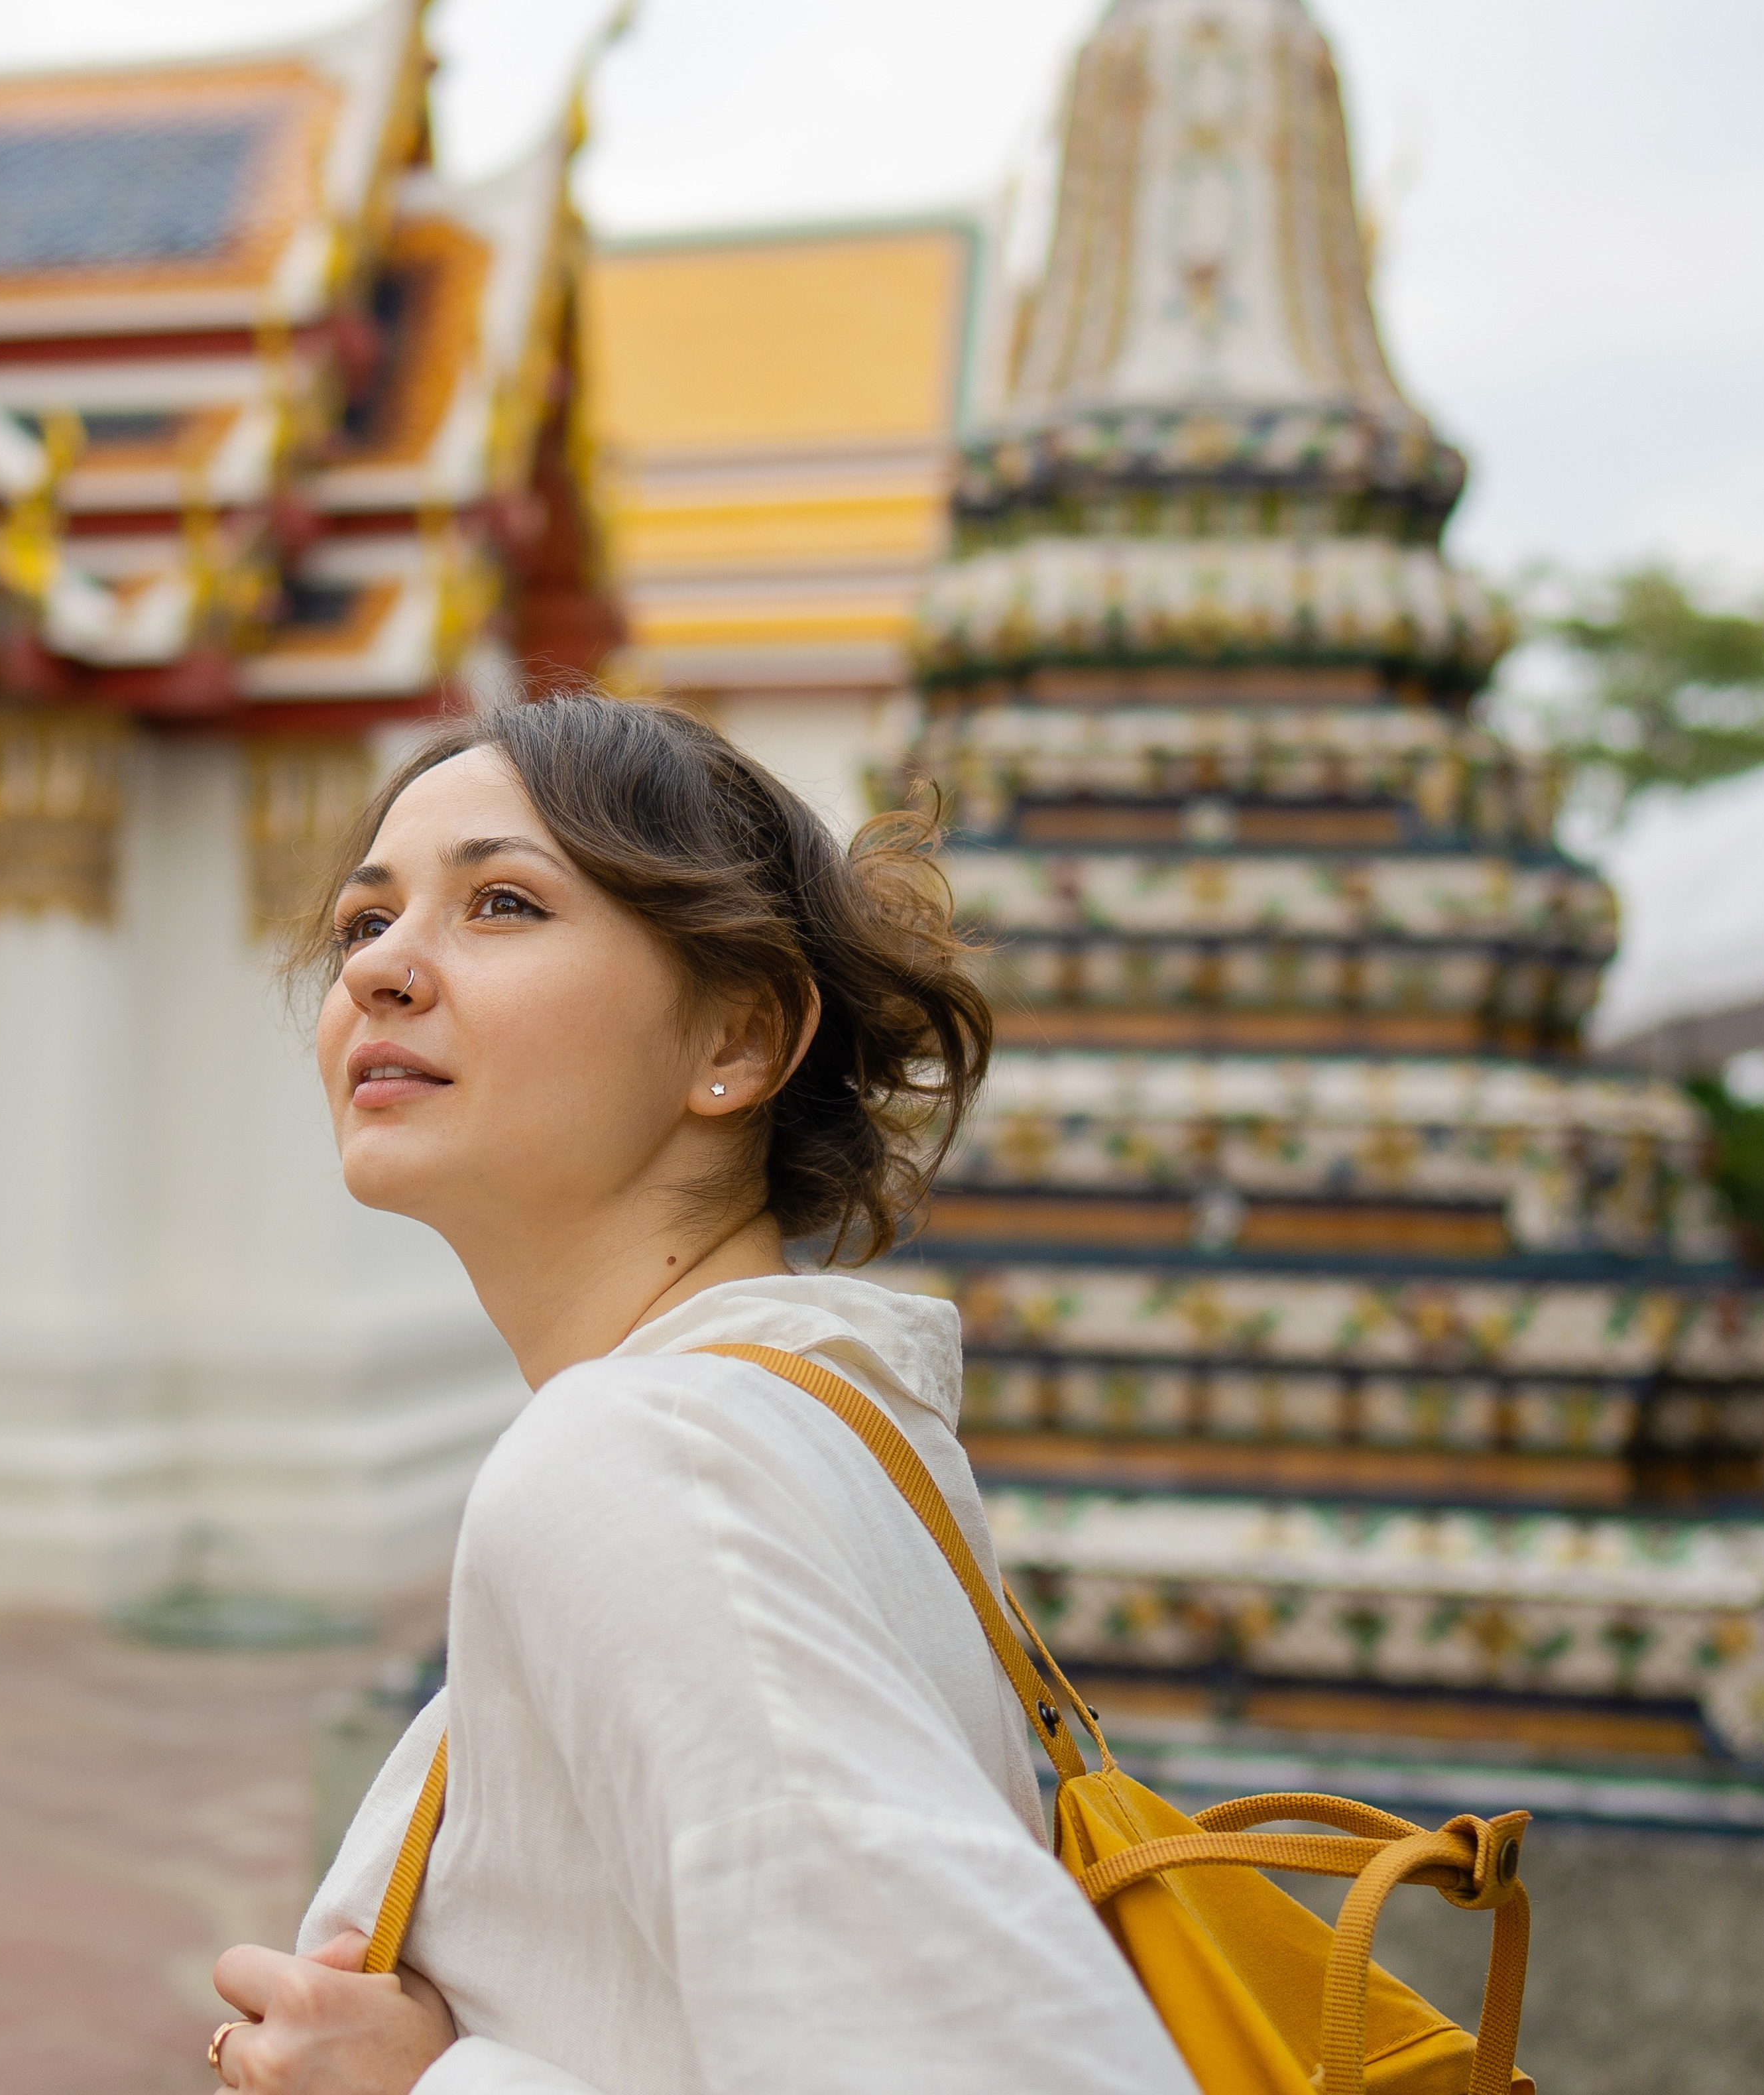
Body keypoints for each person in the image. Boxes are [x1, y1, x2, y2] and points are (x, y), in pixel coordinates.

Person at [200, 695, 1191, 2093]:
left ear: (735, 1035)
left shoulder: (645, 1459)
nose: (381, 971)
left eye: (500, 902)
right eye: (368, 920)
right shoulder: (797, 1423)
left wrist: (429, 2084)